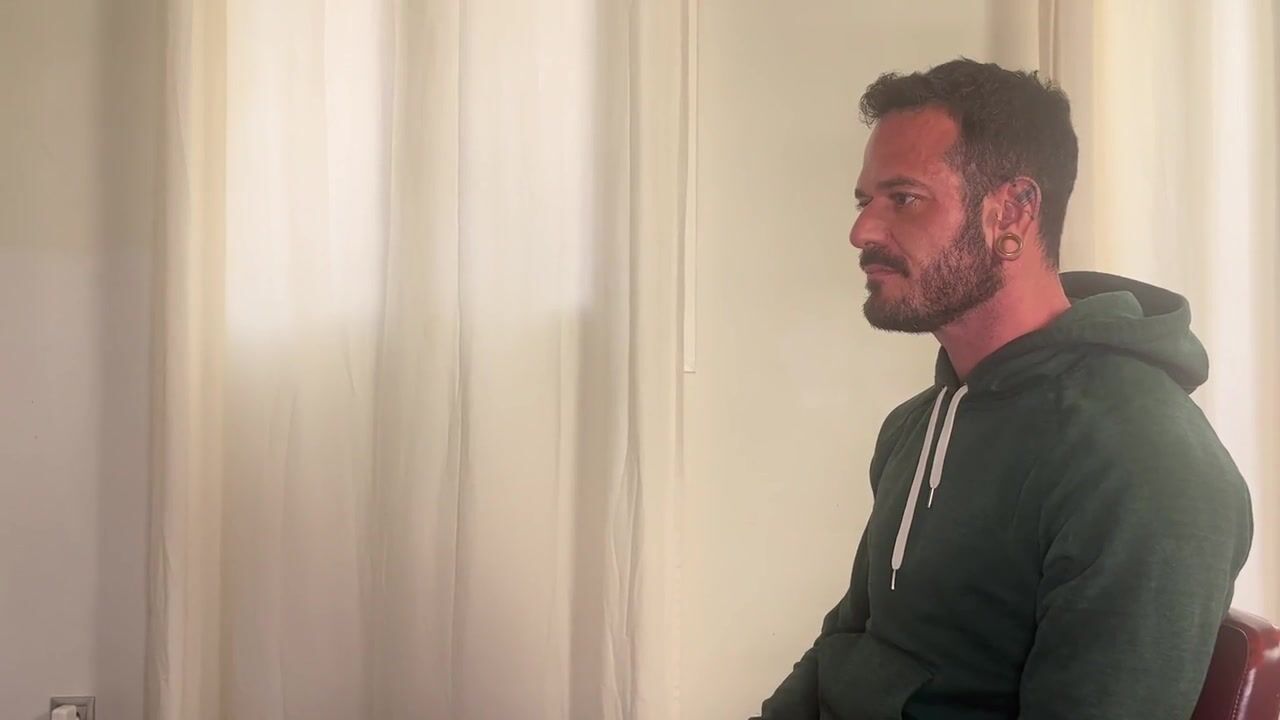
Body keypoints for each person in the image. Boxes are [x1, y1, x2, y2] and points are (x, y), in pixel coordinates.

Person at [753, 58, 1253, 720]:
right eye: (863, 201)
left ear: (1012, 211)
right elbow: (845, 643)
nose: (862, 231)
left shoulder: (1143, 462)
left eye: (903, 199)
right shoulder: (916, 426)